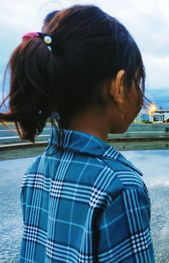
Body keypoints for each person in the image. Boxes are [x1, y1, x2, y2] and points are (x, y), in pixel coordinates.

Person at [0, 5, 155, 262]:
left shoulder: (35, 172)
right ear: (118, 87)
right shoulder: (120, 186)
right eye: (137, 81)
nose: (140, 94)